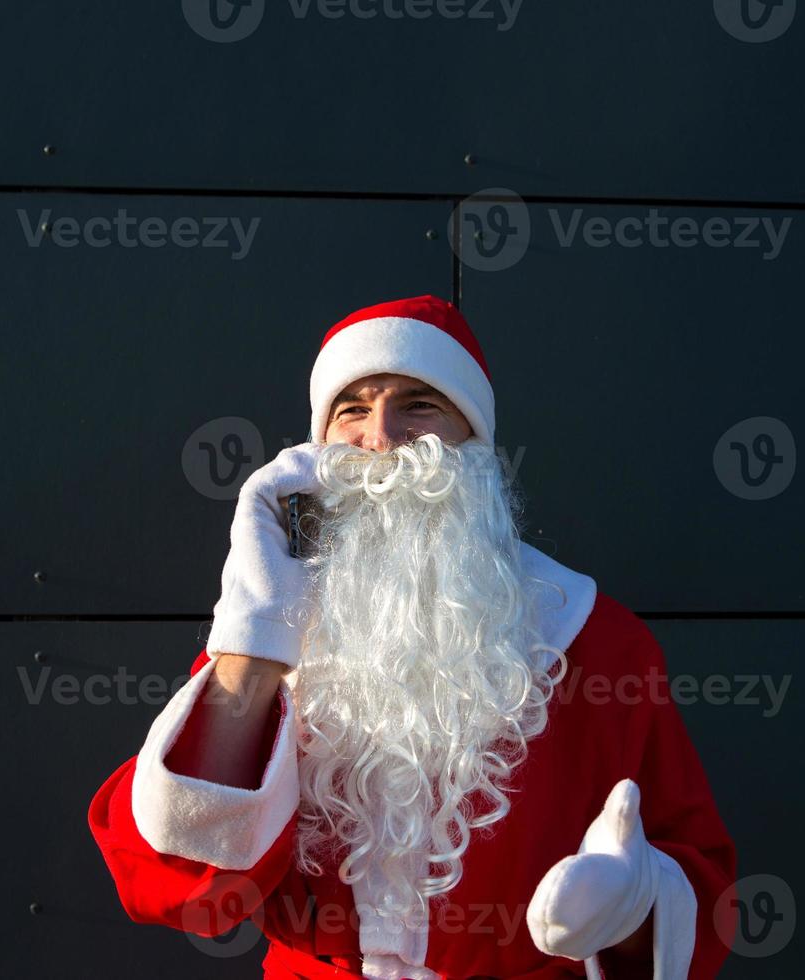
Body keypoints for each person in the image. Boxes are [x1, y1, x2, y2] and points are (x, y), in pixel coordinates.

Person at [87, 295, 737, 978]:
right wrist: (255, 634)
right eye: (353, 409)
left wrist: (634, 907)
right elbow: (174, 882)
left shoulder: (598, 642)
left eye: (419, 404)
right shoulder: (274, 628)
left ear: (474, 443)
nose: (383, 436)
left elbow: (702, 879)